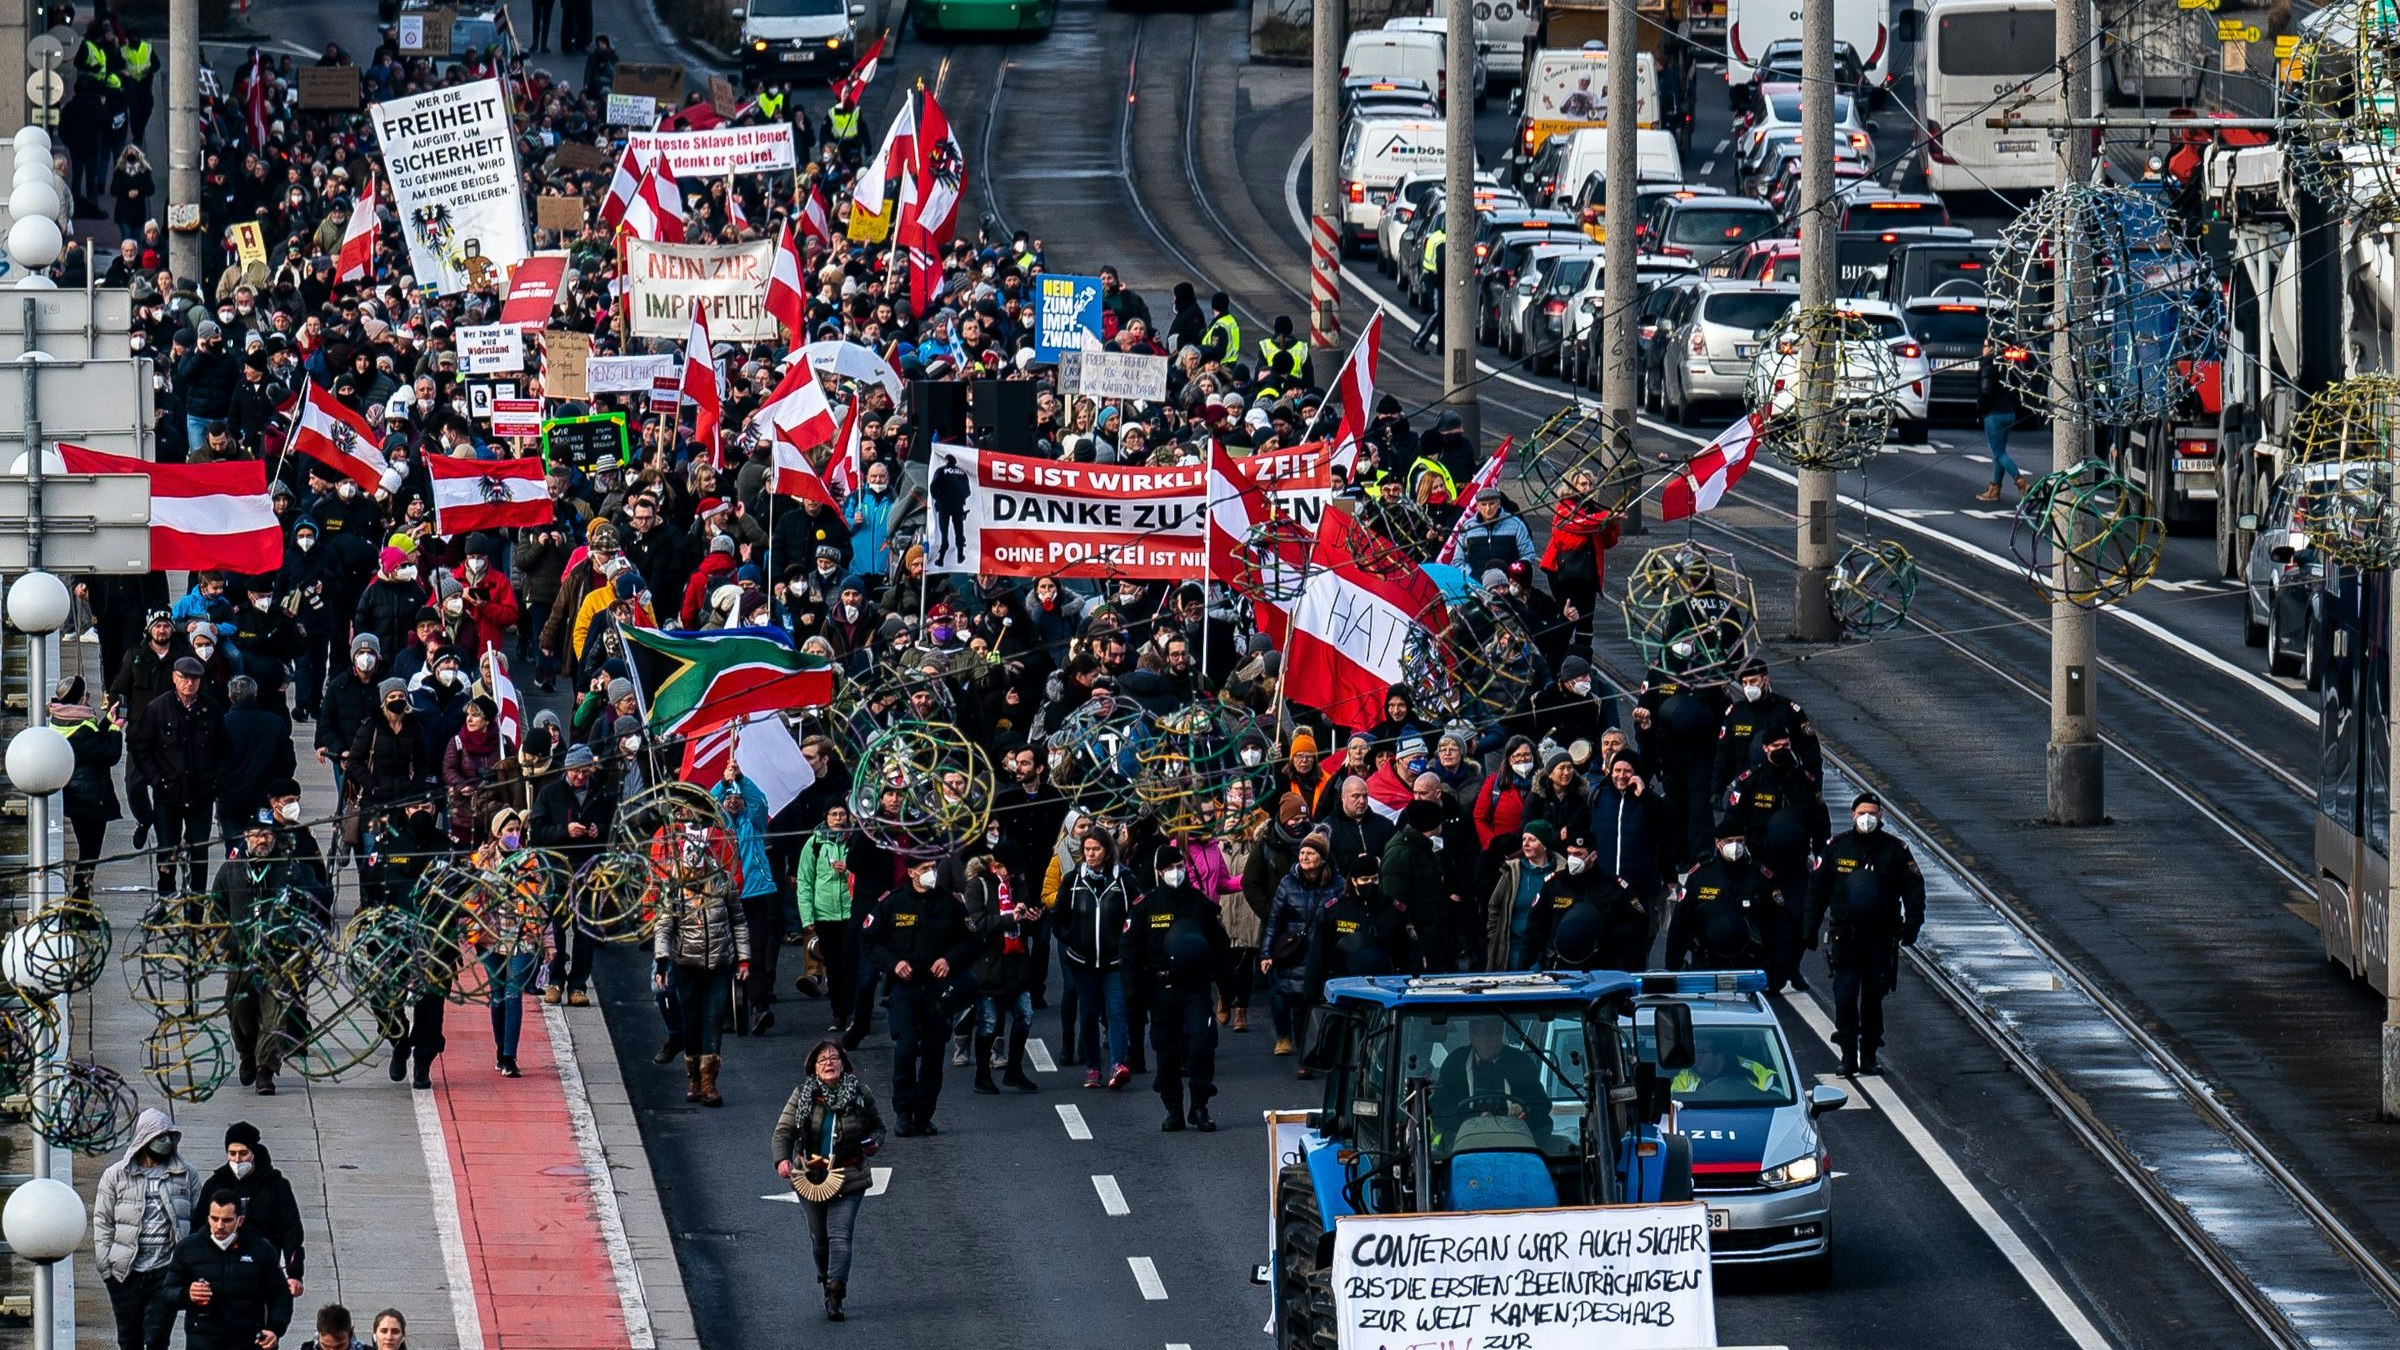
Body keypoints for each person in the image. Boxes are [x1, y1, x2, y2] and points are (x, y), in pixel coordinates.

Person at [211, 810, 332, 1095]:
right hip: (241, 956)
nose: (262, 840)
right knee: (238, 1011)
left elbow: (307, 908)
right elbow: (216, 908)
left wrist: (297, 944)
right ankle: (247, 1054)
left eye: (267, 835)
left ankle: (266, 1069)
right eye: (256, 835)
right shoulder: (231, 870)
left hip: (279, 958)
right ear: (246, 837)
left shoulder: (289, 869)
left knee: (274, 1014)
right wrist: (228, 942)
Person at [1806, 792, 1927, 1075]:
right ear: (1853, 815)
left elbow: (1914, 889)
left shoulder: (1895, 850)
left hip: (1880, 938)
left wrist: (1913, 925)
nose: (1867, 817)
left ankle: (1869, 1054)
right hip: (1845, 937)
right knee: (1845, 996)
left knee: (1873, 997)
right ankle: (1848, 1054)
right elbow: (1817, 891)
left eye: (1872, 812)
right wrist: (1808, 929)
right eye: (1862, 812)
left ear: (1881, 816)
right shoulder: (1837, 848)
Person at [862, 853, 974, 1135]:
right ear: (911, 872)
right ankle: (903, 1112)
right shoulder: (892, 903)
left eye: (933, 867)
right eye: (924, 868)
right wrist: (893, 963)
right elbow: (870, 941)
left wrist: (949, 959)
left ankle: (924, 1115)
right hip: (905, 987)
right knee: (906, 1047)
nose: (931, 873)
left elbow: (972, 940)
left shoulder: (949, 902)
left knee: (934, 1053)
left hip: (938, 989)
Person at [773, 1041, 885, 1322]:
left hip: (849, 1176)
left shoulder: (860, 1092)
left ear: (844, 1064)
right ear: (814, 1068)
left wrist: (874, 1143)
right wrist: (782, 1160)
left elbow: (878, 1127)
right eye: (822, 1060)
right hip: (810, 1176)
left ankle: (836, 1293)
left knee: (840, 1237)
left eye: (833, 1058)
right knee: (819, 1241)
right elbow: (783, 1131)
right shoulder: (803, 1094)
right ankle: (825, 1278)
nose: (828, 1063)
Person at [1123, 844, 1231, 1132]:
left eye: (1179, 867)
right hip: (1161, 989)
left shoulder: (1200, 905)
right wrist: (1133, 993)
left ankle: (1199, 1106)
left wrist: (1227, 989)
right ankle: (1173, 1109)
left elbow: (1220, 946)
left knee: (1201, 1045)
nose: (1175, 873)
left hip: (1195, 988)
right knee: (1167, 1052)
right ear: (1159, 872)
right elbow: (1130, 951)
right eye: (1169, 869)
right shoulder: (1146, 906)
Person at [651, 801, 750, 1108]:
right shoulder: (675, 887)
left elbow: (739, 922)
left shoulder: (722, 882)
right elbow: (664, 926)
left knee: (714, 1019)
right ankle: (693, 1079)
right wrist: (662, 960)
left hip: (720, 963)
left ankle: (710, 1082)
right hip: (686, 964)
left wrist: (744, 959)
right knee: (692, 1019)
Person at [1719, 731, 1829, 992]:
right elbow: (1732, 819)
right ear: (1765, 748)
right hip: (1761, 860)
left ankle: (1793, 965)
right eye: (1776, 745)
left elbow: (1820, 821)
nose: (1782, 750)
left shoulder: (1805, 781)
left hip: (1795, 860)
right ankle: (1770, 969)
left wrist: (1821, 853)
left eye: (1786, 745)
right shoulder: (1750, 782)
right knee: (1765, 915)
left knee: (1800, 914)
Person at [93, 1107, 198, 1350]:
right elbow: (102, 1222)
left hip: (166, 1270)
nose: (165, 1142)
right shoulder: (115, 1176)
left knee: (158, 1338)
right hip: (125, 1273)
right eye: (159, 1136)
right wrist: (107, 1268)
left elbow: (198, 1217)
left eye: (169, 1136)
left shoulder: (186, 1174)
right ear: (144, 1139)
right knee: (129, 1339)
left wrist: (186, 1265)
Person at [131, 656, 227, 896]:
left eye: (195, 679)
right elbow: (141, 749)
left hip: (202, 794)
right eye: (185, 678)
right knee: (167, 849)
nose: (190, 684)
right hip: (168, 794)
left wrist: (216, 781)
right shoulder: (157, 709)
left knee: (199, 852)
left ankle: (196, 901)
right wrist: (156, 780)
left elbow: (225, 748)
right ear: (175, 677)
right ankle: (165, 896)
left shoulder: (210, 708)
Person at [531, 745, 616, 1005]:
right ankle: (555, 980)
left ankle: (578, 985)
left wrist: (597, 830)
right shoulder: (549, 793)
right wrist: (564, 830)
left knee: (585, 928)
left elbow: (612, 827)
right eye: (577, 771)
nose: (581, 776)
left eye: (585, 771)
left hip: (588, 868)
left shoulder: (601, 793)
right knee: (555, 927)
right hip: (558, 868)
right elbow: (537, 833)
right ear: (567, 768)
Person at [157, 1192, 294, 1350]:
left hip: (248, 1341)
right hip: (203, 1341)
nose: (219, 1226)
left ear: (240, 1220)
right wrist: (188, 1294)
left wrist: (274, 1329)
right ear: (208, 1218)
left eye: (227, 1220)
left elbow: (281, 1295)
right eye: (215, 1219)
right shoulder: (187, 1249)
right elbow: (167, 1293)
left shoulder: (261, 1250)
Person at [1057, 830, 1137, 1089]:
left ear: (1107, 850)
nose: (1091, 854)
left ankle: (1117, 1064)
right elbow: (1057, 917)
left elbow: (1137, 910)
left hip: (1114, 961)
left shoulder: (1123, 878)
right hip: (1082, 962)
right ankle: (1093, 1067)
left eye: (1096, 849)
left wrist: (1127, 942)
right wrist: (1072, 939)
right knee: (1088, 1014)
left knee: (1116, 1012)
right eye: (1087, 849)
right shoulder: (1072, 880)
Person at [1259, 831, 1340, 1068]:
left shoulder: (1337, 884)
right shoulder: (1288, 882)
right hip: (1291, 951)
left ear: (1322, 858)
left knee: (1307, 1005)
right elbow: (1274, 920)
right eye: (1302, 852)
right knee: (1283, 995)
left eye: (1310, 852)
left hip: (1320, 953)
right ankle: (1283, 1036)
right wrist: (1266, 953)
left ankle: (1307, 1056)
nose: (1304, 856)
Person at [200, 1123, 305, 1300]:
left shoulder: (276, 1185)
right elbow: (199, 1227)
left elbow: (291, 1230)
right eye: (232, 1154)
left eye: (243, 1153)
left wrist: (294, 1274)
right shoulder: (215, 1184)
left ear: (253, 1153)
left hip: (263, 1268)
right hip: (221, 1269)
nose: (237, 1160)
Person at [1664, 828, 1779, 972]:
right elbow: (1680, 925)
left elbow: (1777, 924)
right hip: (1707, 961)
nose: (1735, 846)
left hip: (1748, 961)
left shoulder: (1759, 876)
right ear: (1718, 843)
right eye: (1729, 841)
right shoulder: (1701, 876)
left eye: (1739, 841)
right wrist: (1671, 969)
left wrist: (1775, 967)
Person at [1430, 1017, 1551, 1148]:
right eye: (1487, 1033)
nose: (1492, 1040)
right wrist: (1474, 1118)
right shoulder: (1455, 1064)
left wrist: (1524, 1109)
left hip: (1516, 1144)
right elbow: (1437, 1108)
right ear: (1472, 1035)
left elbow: (1542, 1104)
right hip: (1463, 1146)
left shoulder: (1520, 1063)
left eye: (1497, 1033)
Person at [53, 674, 123, 899]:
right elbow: (108, 753)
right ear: (80, 698)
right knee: (89, 855)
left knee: (87, 852)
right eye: (86, 696)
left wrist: (106, 722)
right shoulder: (82, 729)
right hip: (91, 800)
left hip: (74, 797)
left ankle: (79, 903)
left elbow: (92, 743)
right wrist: (115, 730)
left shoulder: (61, 720)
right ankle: (79, 904)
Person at [796, 803, 861, 1036]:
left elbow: (864, 871)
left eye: (841, 813)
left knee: (851, 964)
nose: (837, 818)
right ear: (826, 817)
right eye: (833, 814)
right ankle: (838, 1013)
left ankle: (854, 1011)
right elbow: (804, 881)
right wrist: (807, 916)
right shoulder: (813, 844)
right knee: (833, 966)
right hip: (824, 914)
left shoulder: (855, 840)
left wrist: (848, 871)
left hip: (851, 912)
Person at [1483, 822, 1558, 972]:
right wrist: (1494, 936)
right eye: (1524, 839)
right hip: (1515, 946)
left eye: (1532, 839)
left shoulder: (1561, 871)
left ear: (1544, 845)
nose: (1526, 844)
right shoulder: (1512, 871)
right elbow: (1494, 905)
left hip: (1548, 949)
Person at [1976, 340, 2029, 502]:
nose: (1982, 349)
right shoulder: (2005, 364)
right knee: (2000, 452)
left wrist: (1980, 411)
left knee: (1998, 453)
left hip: (1994, 415)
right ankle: (1994, 488)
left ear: (1991, 349)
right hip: (2008, 413)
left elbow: (1986, 392)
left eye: (1985, 346)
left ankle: (2021, 482)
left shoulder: (1987, 366)